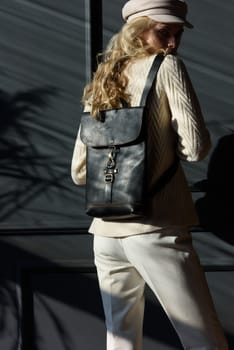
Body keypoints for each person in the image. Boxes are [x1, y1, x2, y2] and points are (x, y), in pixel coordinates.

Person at [71, 0, 229, 349]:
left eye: (177, 34)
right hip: (156, 229)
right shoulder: (167, 67)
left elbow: (79, 171)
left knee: (121, 340)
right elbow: (196, 148)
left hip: (106, 234)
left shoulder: (104, 75)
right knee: (205, 340)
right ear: (138, 29)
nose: (172, 43)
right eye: (164, 31)